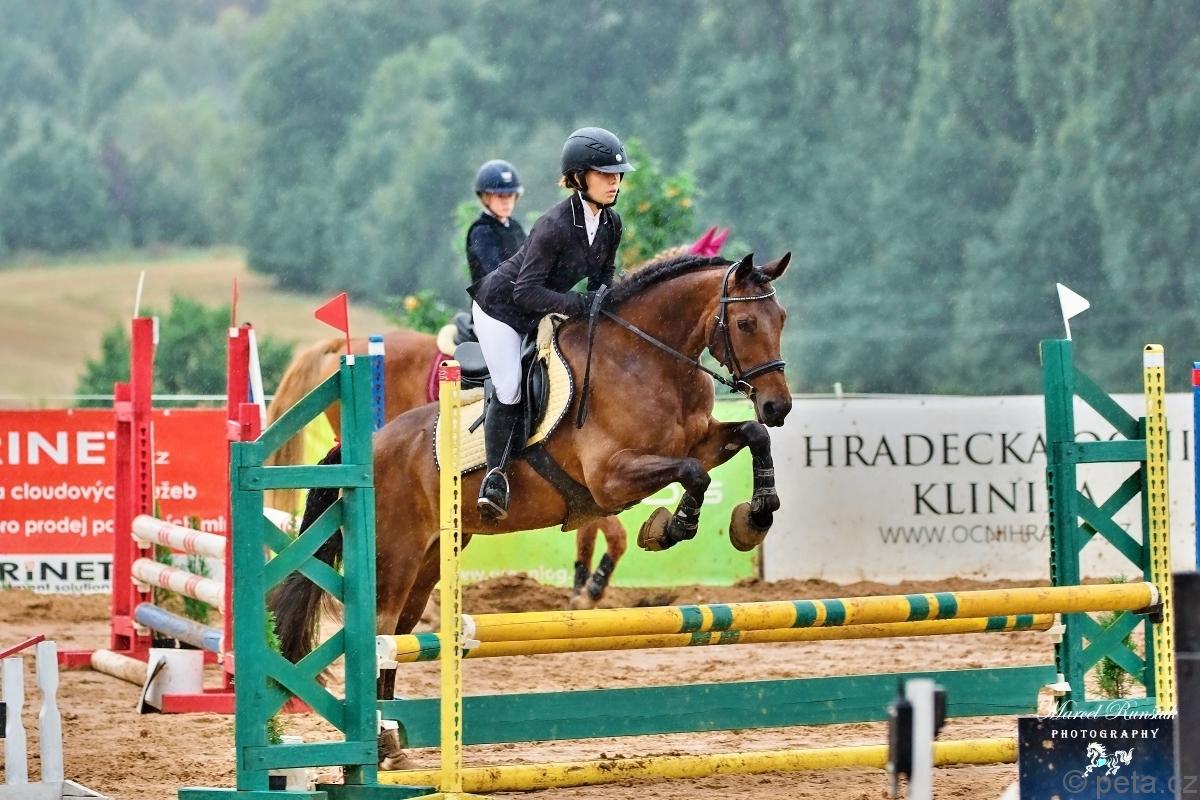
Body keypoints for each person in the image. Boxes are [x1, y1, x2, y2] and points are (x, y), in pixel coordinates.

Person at [467, 126, 635, 520]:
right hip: (500, 310)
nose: (614, 182)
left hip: (541, 307)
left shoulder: (611, 224)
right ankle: (495, 478)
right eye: (604, 174)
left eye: (617, 174)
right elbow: (525, 291)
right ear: (579, 177)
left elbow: (601, 282)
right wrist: (579, 304)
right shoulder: (554, 225)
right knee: (510, 387)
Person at [466, 159, 527, 283]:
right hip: (495, 295)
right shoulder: (481, 231)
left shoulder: (515, 226)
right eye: (500, 196)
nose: (506, 202)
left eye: (510, 195)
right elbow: (498, 273)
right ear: (485, 197)